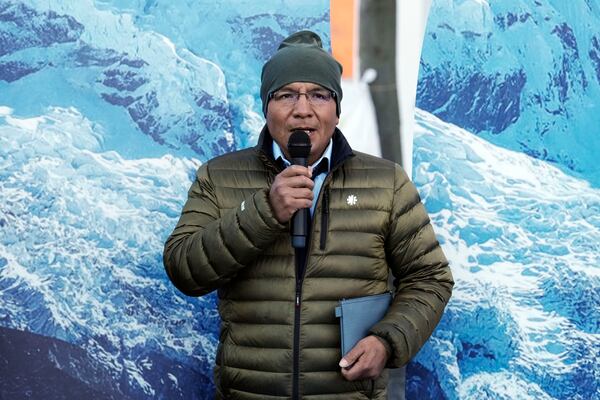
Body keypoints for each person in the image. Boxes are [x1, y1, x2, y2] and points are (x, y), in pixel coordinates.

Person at [163, 30, 453, 400]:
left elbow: (430, 278)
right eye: (286, 95)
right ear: (266, 107)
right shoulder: (219, 178)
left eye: (318, 94)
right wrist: (264, 211)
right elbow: (183, 269)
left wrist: (387, 340)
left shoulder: (386, 183)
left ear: (336, 109)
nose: (302, 109)